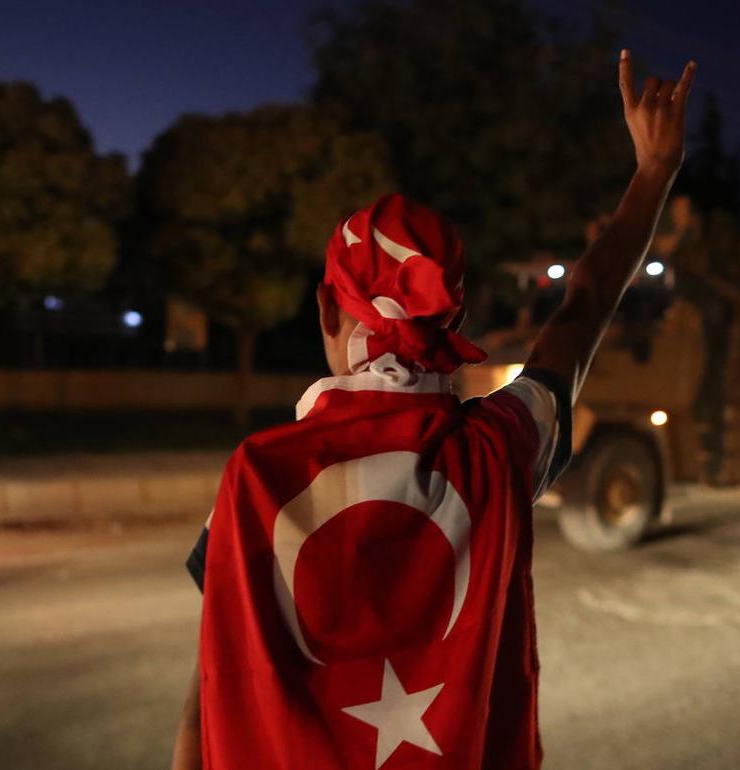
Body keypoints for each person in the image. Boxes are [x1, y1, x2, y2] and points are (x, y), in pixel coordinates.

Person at [171, 49, 696, 770]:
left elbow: (210, 688)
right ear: (454, 318)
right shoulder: (498, 450)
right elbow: (585, 304)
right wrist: (653, 171)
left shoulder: (256, 476)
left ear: (327, 305)